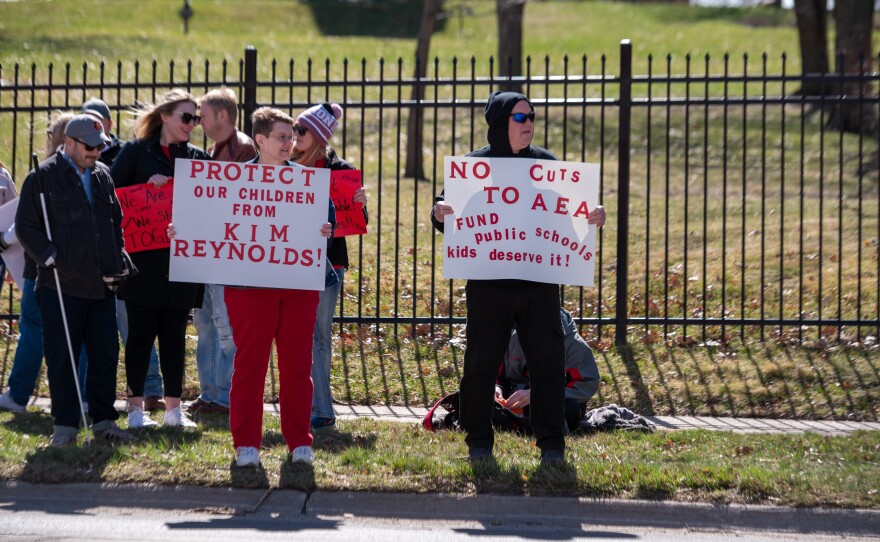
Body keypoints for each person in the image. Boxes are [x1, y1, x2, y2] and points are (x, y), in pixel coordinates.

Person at [430, 91, 606, 465]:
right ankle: (479, 441)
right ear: (499, 123)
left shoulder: (547, 164)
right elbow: (444, 215)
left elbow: (574, 218)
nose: (529, 125)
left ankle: (552, 446)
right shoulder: (473, 166)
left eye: (532, 117)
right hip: (489, 284)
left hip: (538, 284)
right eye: (520, 118)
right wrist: (439, 211)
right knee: (479, 365)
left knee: (547, 365)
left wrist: (592, 216)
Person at [15, 114, 137, 446]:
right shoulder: (42, 177)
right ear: (68, 143)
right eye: (89, 147)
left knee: (105, 354)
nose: (96, 153)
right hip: (59, 283)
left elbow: (115, 221)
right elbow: (26, 227)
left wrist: (116, 256)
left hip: (100, 283)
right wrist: (50, 256)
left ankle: (104, 422)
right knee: (62, 357)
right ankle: (65, 427)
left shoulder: (103, 176)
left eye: (100, 147)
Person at [227, 106, 334, 467]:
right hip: (248, 287)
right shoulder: (232, 180)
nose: (290, 142)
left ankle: (299, 443)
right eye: (282, 136)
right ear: (260, 140)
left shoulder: (306, 181)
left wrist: (325, 230)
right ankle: (246, 445)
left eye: (292, 136)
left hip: (298, 285)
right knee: (250, 365)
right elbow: (210, 222)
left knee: (296, 366)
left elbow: (328, 218)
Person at [110, 88, 208, 429]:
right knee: (139, 335)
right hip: (143, 261)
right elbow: (112, 195)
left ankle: (172, 410)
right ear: (165, 116)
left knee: (173, 336)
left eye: (195, 118)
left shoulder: (198, 157)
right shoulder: (135, 152)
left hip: (182, 262)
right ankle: (135, 410)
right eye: (185, 117)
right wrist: (146, 188)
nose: (191, 124)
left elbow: (212, 205)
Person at [0, 116, 92, 413]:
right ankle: (79, 396)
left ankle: (18, 395)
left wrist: (4, 239)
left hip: (40, 268)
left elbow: (22, 224)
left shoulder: (42, 175)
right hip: (76, 268)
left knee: (34, 329)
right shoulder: (87, 175)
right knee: (78, 335)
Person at [82, 98, 165, 410]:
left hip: (129, 250)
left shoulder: (125, 153)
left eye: (96, 122)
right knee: (95, 328)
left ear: (109, 125)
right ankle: (89, 393)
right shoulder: (77, 157)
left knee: (134, 324)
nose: (91, 130)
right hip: (91, 254)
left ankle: (151, 387)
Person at [290, 103, 368, 430]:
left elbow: (356, 222)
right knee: (296, 336)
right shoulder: (285, 167)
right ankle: (299, 405)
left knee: (318, 337)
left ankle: (322, 412)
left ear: (319, 137)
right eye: (294, 129)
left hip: (328, 266)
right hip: (290, 263)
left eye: (301, 131)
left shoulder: (340, 171)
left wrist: (362, 206)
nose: (295, 136)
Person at [185, 87, 257, 416]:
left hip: (226, 257)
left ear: (222, 116)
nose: (197, 120)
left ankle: (223, 395)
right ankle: (211, 392)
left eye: (202, 113)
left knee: (223, 327)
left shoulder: (241, 148)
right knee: (205, 323)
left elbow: (239, 203)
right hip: (210, 253)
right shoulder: (216, 149)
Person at [497, 308, 600, 432]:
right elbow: (498, 373)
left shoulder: (575, 347)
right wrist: (497, 388)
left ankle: (512, 422)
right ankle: (514, 421)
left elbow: (584, 386)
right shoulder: (514, 337)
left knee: (568, 408)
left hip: (554, 402)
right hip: (514, 398)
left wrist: (539, 394)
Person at [81, 98, 123, 166]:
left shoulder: (124, 152)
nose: (92, 124)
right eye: (87, 119)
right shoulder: (74, 151)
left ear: (110, 124)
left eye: (98, 120)